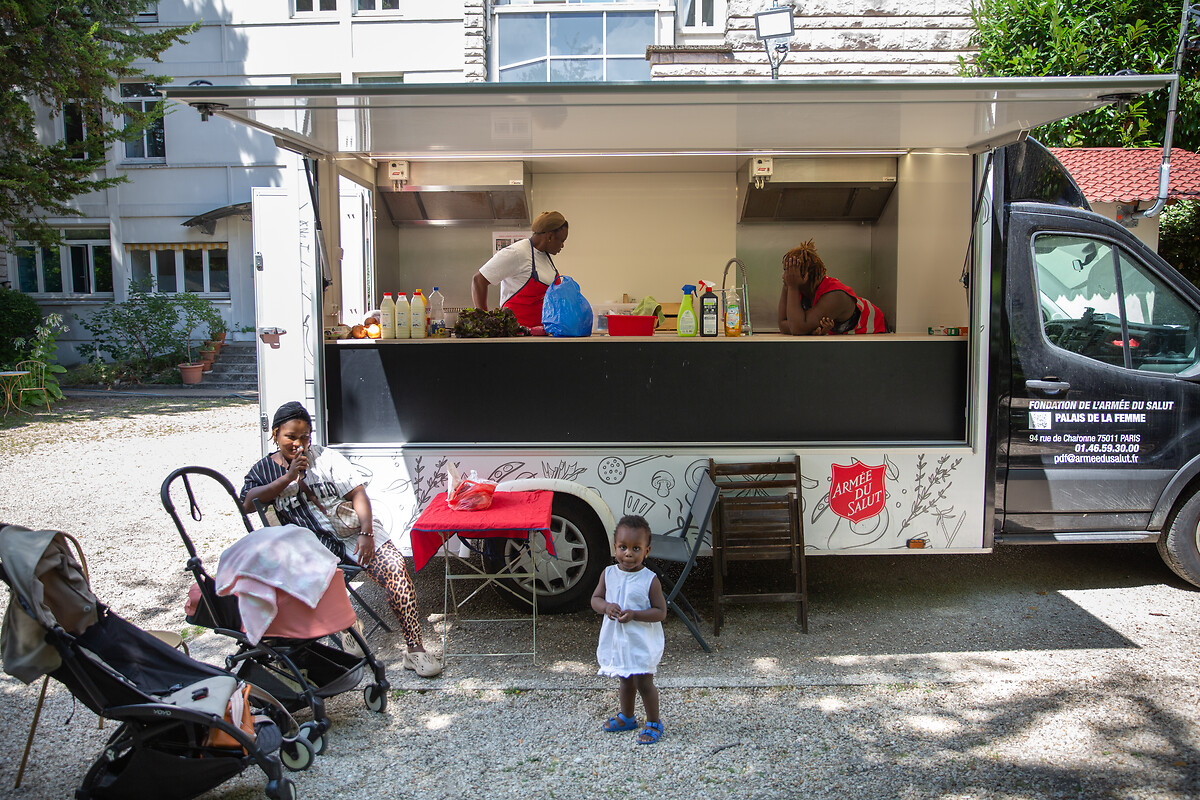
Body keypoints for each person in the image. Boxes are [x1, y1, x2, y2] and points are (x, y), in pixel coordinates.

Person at [241, 401, 442, 677]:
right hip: (311, 550)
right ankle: (347, 623)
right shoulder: (263, 470)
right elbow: (249, 503)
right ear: (275, 434)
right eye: (290, 437)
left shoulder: (326, 458)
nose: (298, 443)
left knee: (395, 568)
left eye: (305, 437)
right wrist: (287, 477)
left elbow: (358, 494)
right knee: (302, 575)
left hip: (352, 533)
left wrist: (367, 533)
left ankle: (415, 649)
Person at [591, 514, 667, 745]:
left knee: (644, 683)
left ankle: (654, 722)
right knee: (625, 678)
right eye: (623, 547)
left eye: (636, 548)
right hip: (620, 642)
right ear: (614, 547)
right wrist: (606, 607)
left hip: (641, 643)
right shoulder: (609, 574)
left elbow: (660, 612)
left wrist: (635, 614)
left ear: (647, 551)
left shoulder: (649, 580)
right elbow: (595, 599)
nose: (628, 554)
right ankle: (627, 716)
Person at [471, 211, 569, 328]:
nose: (562, 246)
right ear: (549, 236)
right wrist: (483, 321)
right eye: (561, 241)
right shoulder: (518, 253)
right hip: (517, 337)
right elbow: (478, 280)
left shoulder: (545, 257)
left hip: (540, 335)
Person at [778, 239, 887, 335]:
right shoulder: (795, 284)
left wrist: (792, 287)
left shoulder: (835, 295)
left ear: (806, 275)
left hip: (875, 331)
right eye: (786, 271)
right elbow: (783, 324)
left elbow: (797, 328)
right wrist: (807, 329)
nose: (786, 276)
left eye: (791, 272)